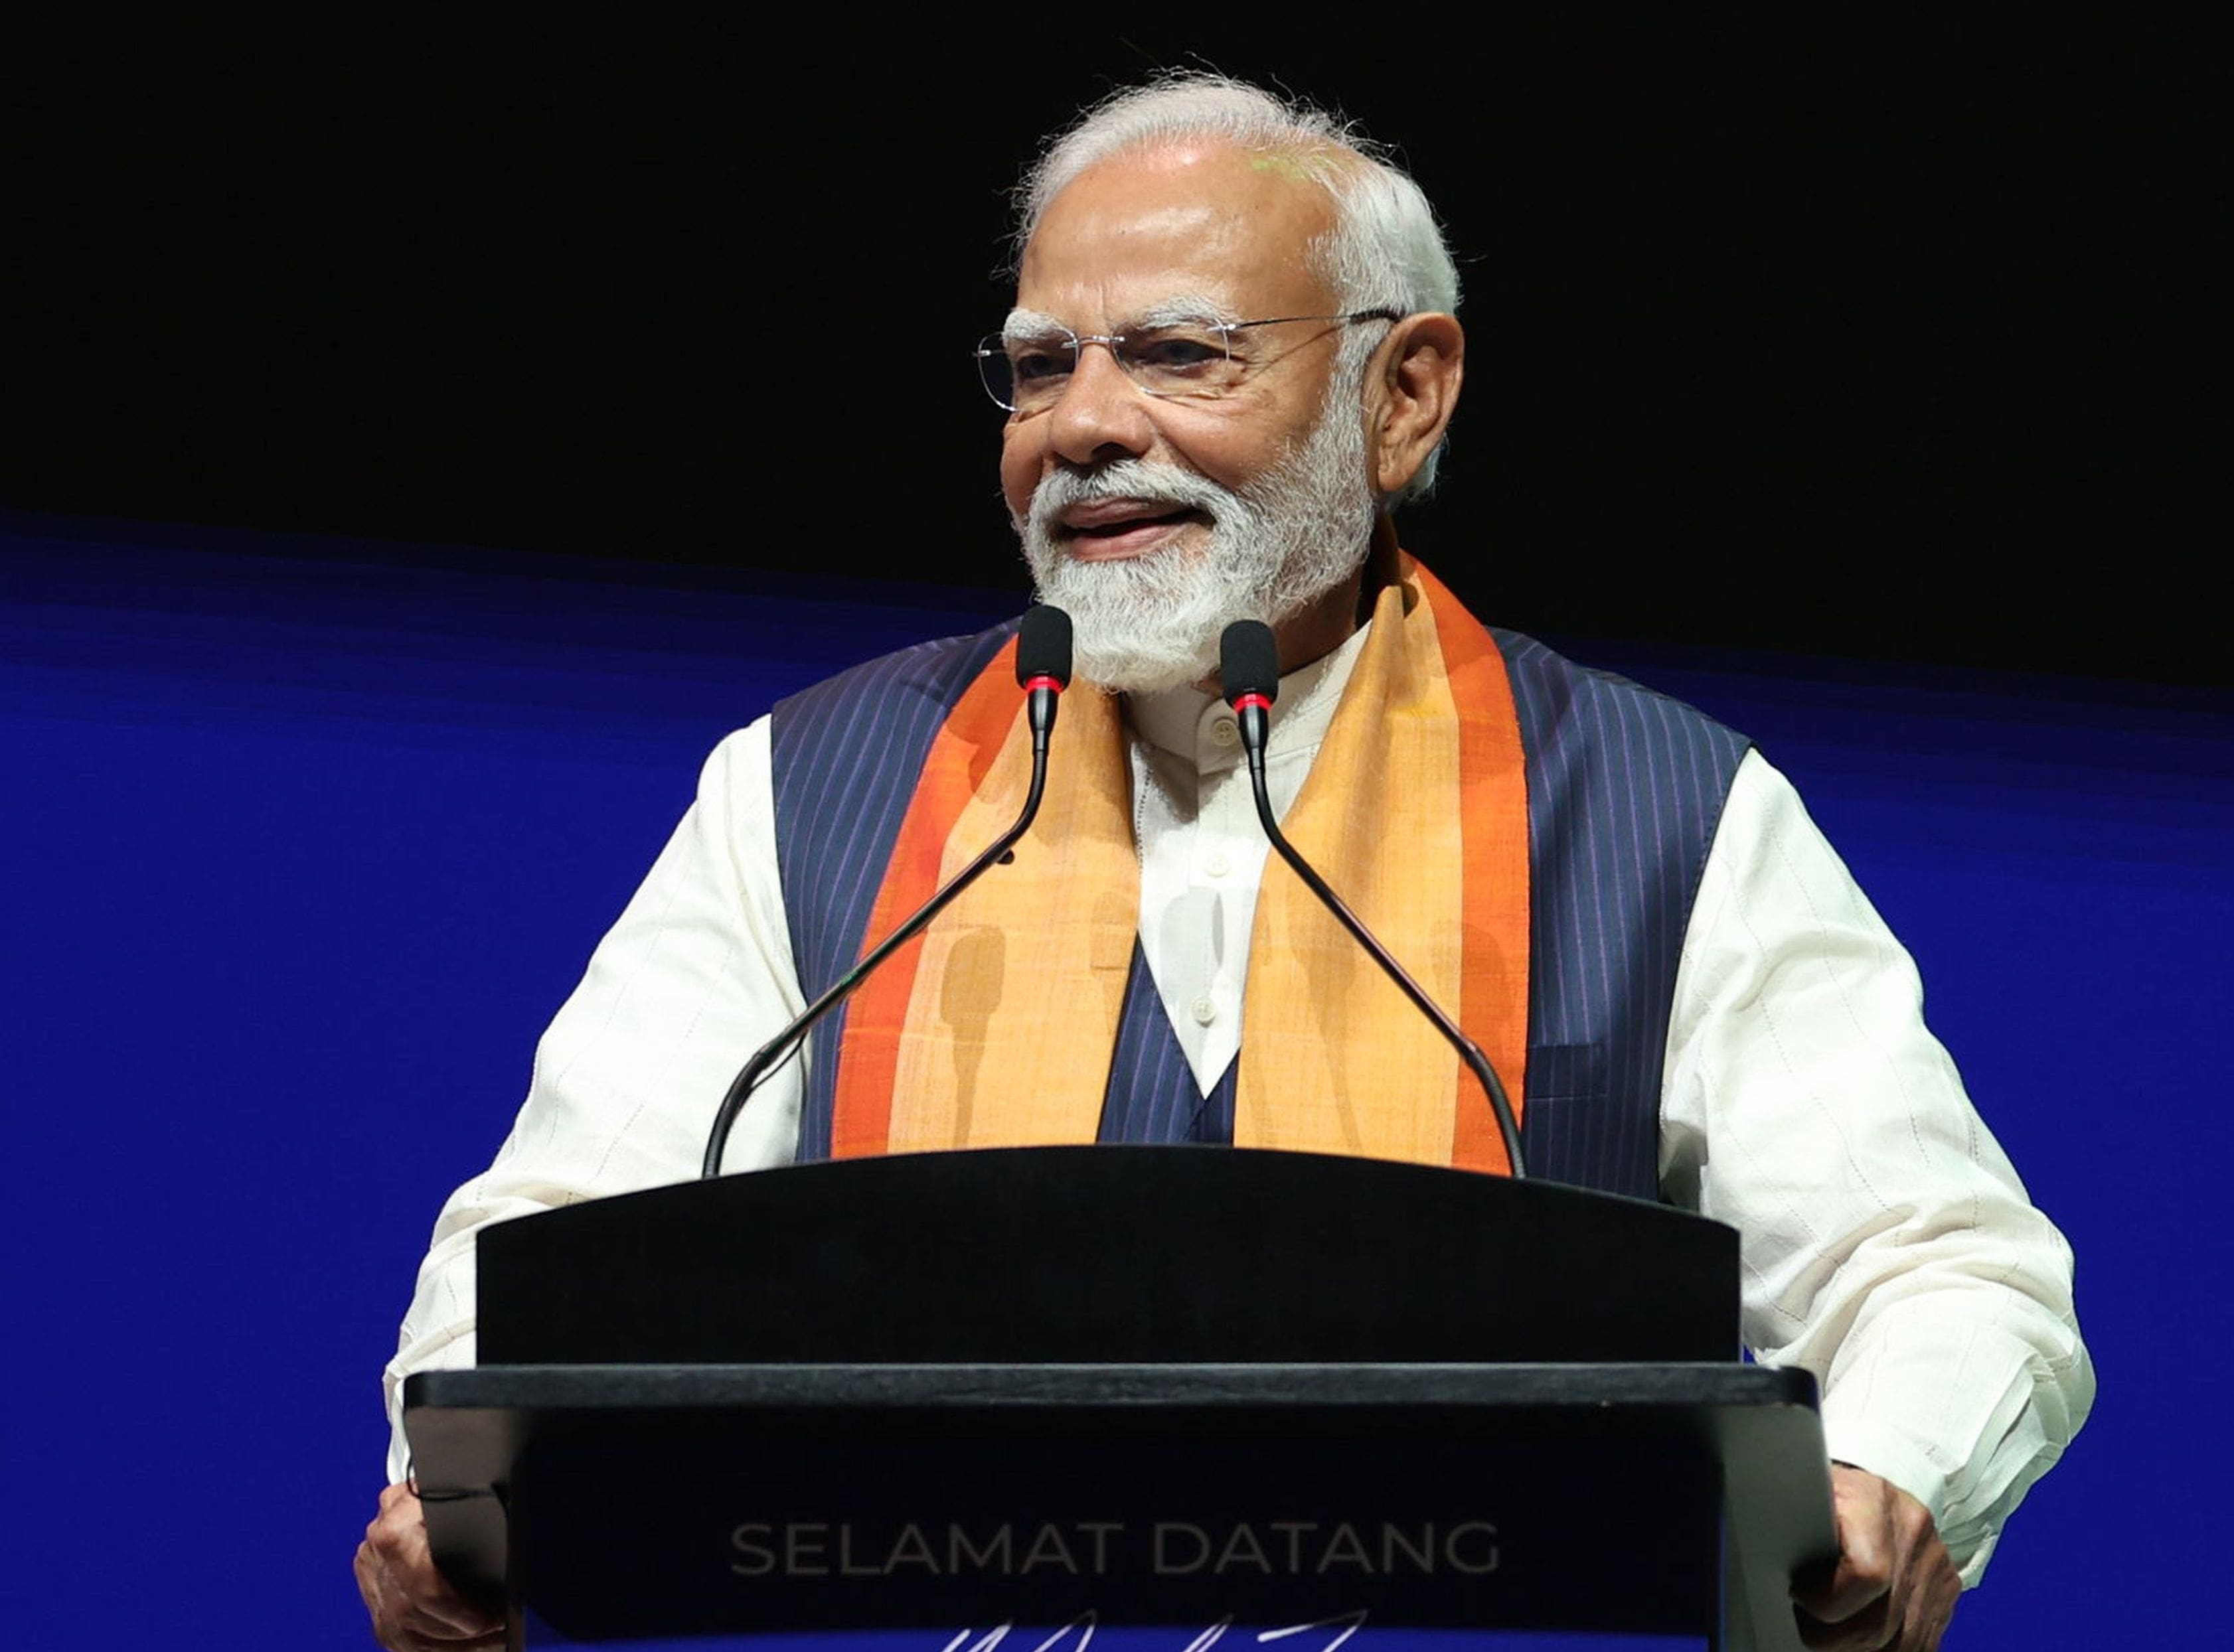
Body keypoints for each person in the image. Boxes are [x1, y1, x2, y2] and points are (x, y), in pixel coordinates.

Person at [359, 74, 2091, 1652]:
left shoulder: (1652, 810)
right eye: (1040, 367)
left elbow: (1939, 1264)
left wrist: (1886, 1476)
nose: (1081, 427)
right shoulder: (812, 790)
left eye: (1179, 355)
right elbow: (550, 1249)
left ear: (1403, 395)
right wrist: (456, 1490)